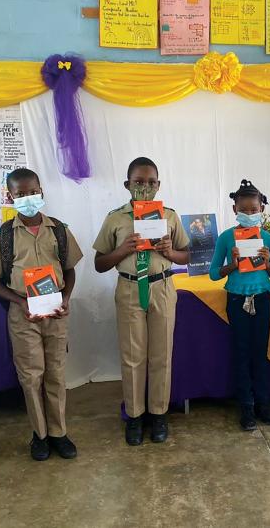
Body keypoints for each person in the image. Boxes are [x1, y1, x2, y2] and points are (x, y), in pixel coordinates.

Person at [0, 168, 84, 460]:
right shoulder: (4, 237)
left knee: (56, 373)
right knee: (31, 375)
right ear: (9, 197)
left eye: (32, 192)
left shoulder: (59, 230)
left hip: (56, 312)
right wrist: (20, 302)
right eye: (20, 194)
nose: (28, 198)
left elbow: (70, 270)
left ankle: (59, 433)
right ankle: (40, 435)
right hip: (23, 313)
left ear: (41, 192)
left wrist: (65, 297)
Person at [93, 157, 190, 446]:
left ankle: (158, 414)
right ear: (127, 185)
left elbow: (188, 255)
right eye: (138, 182)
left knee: (161, 355)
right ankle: (135, 416)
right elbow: (99, 264)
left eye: (151, 183)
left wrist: (171, 253)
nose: (145, 188)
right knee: (133, 356)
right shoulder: (115, 218)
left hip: (161, 287)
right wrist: (123, 249)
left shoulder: (170, 216)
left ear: (158, 185)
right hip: (130, 289)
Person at [209, 179, 270, 431]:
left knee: (260, 352)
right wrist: (233, 264)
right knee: (241, 352)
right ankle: (246, 405)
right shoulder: (226, 238)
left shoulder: (268, 239)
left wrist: (268, 261)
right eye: (245, 210)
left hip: (262, 299)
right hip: (237, 299)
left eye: (254, 210)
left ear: (262, 209)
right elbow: (214, 274)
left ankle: (263, 402)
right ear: (235, 210)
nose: (250, 214)